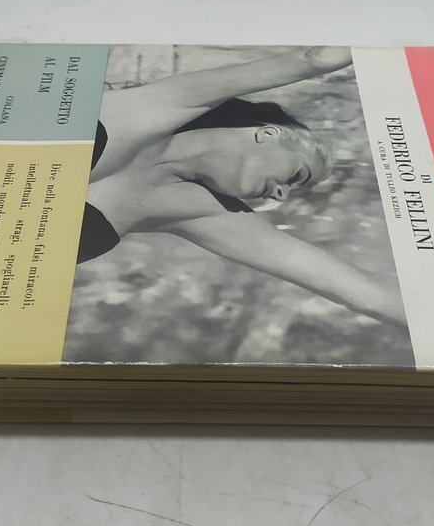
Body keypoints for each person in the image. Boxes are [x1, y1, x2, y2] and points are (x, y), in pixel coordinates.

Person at [78, 47, 406, 332]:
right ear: (269, 134)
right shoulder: (162, 104)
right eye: (296, 176)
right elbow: (314, 59)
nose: (281, 195)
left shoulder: (203, 213)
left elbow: (363, 293)